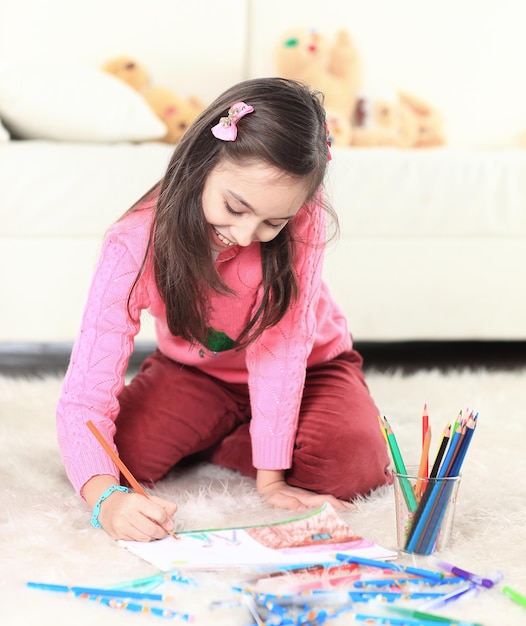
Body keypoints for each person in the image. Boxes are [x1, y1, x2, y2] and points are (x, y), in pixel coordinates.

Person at [56, 77, 391, 542]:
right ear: (200, 164)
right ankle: (238, 430)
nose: (247, 233)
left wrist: (271, 476)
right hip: (199, 373)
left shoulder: (305, 220)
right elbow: (84, 396)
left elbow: (283, 349)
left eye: (273, 222)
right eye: (234, 207)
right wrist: (106, 502)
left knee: (351, 466)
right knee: (113, 458)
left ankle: (253, 435)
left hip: (311, 368)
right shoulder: (132, 243)